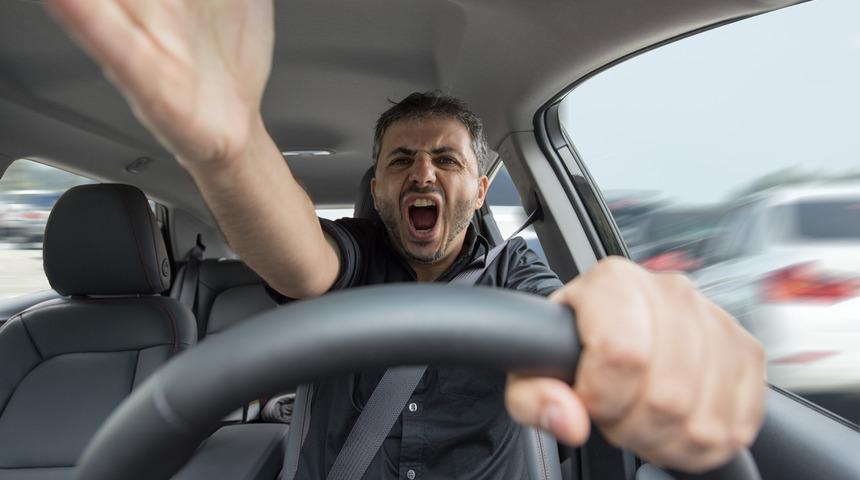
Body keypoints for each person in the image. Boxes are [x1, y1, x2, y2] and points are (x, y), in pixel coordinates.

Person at [45, 0, 766, 477]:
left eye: (445, 159)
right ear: (380, 187)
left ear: (480, 189)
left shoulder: (516, 269)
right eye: (400, 161)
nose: (423, 173)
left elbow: (572, 313)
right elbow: (302, 260)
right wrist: (230, 150)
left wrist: (640, 324)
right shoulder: (355, 258)